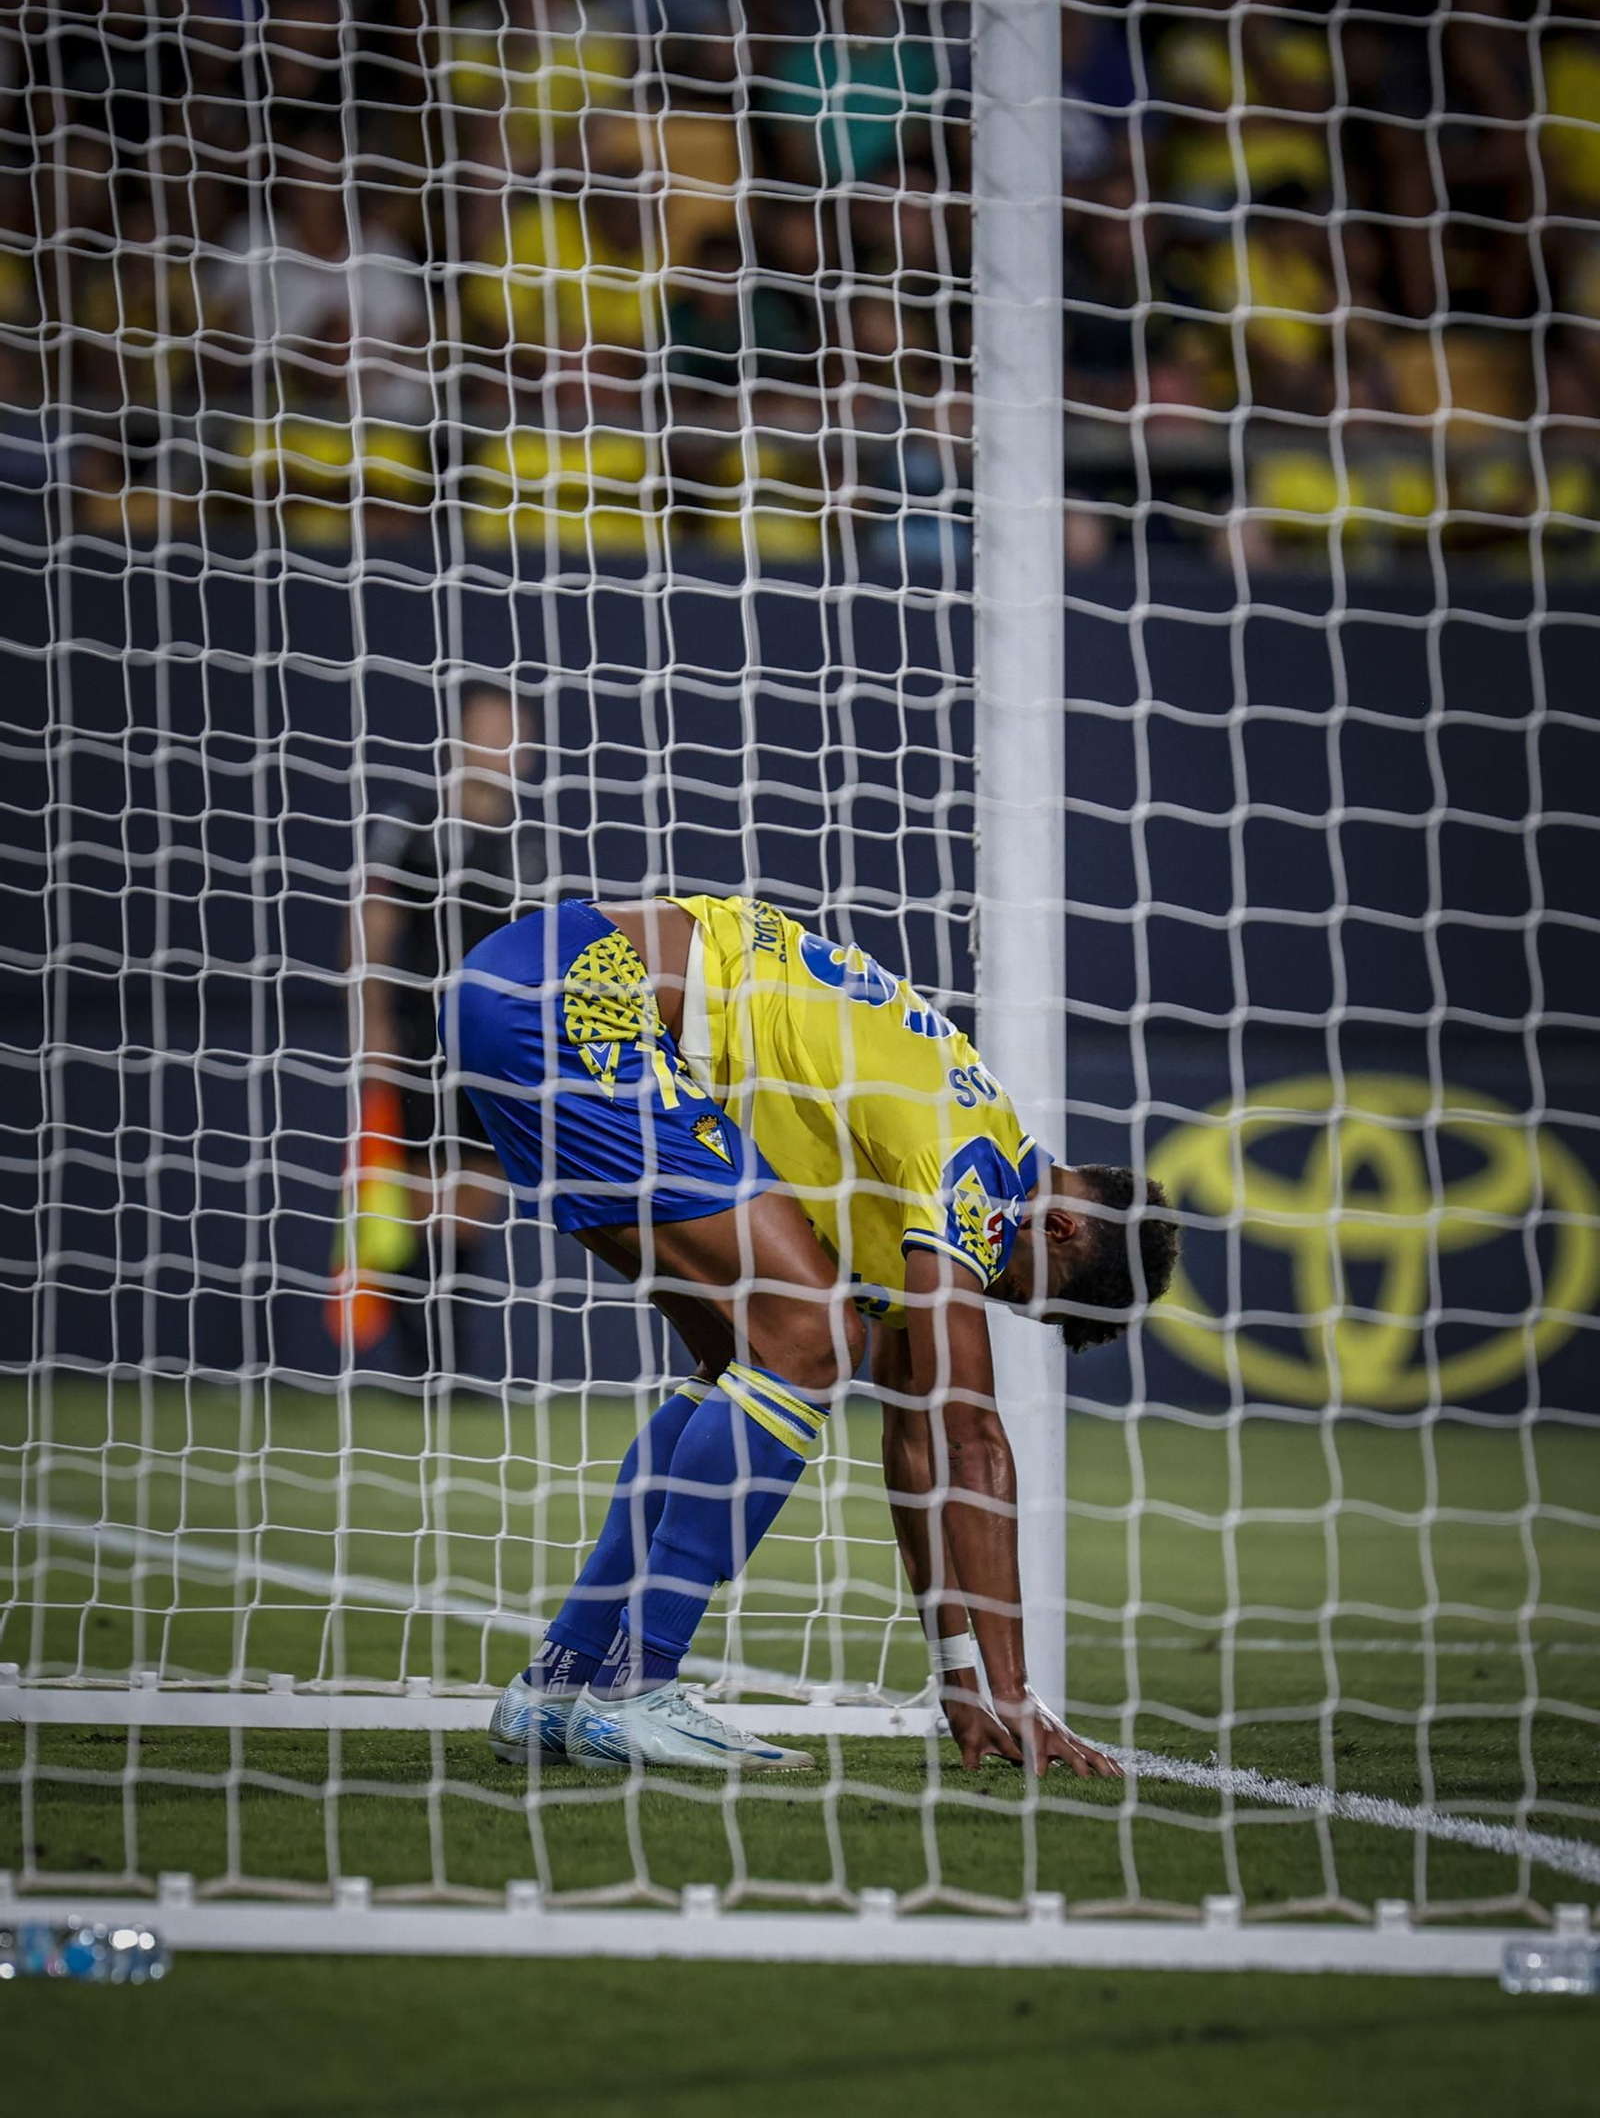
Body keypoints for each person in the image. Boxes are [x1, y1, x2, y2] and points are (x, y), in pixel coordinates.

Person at [448, 893, 1178, 1774]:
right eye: (1011, 1287)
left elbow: (916, 1441)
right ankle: (637, 1687)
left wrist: (957, 1675)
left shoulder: (930, 1195)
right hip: (583, 996)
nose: (983, 1292)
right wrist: (1016, 1691)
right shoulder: (976, 1171)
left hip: (512, 987)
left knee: (744, 1362)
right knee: (817, 1335)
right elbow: (971, 1437)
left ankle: (558, 1684)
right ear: (1057, 1227)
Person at [347, 683, 540, 1370]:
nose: (501, 745)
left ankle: (450, 1362)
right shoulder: (415, 824)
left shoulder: (529, 845)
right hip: (420, 1037)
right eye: (488, 728)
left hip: (495, 1048)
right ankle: (424, 1367)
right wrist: (373, 1023)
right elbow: (373, 923)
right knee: (421, 1197)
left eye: (514, 732)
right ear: (459, 737)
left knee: (472, 1200)